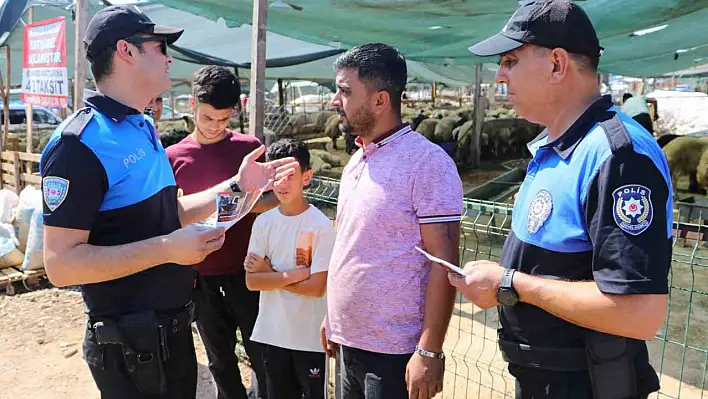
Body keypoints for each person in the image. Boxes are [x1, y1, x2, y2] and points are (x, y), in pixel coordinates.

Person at [39, 6, 298, 399]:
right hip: (130, 344)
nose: (169, 57)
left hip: (170, 329)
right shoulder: (79, 145)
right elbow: (60, 264)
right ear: (126, 51)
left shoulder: (140, 126)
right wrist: (167, 250)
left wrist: (236, 185)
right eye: (159, 46)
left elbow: (168, 214)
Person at [454, 1, 672, 398]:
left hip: (587, 385)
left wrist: (510, 284)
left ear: (557, 64)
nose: (500, 75)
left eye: (510, 60)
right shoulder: (554, 149)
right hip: (545, 380)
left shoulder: (618, 157)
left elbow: (639, 313)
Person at [320, 43, 464, 399]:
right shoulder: (357, 160)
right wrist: (333, 316)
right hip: (350, 341)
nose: (334, 101)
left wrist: (429, 350)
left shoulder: (427, 164)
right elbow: (352, 246)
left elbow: (444, 264)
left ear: (380, 101)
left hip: (394, 353)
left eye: (345, 91)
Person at [166, 65, 277, 399]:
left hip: (250, 270)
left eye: (223, 119)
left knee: (264, 353)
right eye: (207, 118)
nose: (214, 127)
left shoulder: (250, 148)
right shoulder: (173, 157)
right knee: (220, 359)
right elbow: (171, 216)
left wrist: (245, 204)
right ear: (191, 105)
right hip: (201, 276)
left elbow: (271, 198)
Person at [244, 138, 335, 399]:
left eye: (290, 176)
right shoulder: (263, 223)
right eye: (276, 176)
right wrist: (293, 275)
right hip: (272, 334)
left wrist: (269, 273)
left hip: (309, 339)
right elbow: (252, 282)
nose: (282, 184)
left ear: (307, 177)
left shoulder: (320, 225)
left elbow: (317, 288)